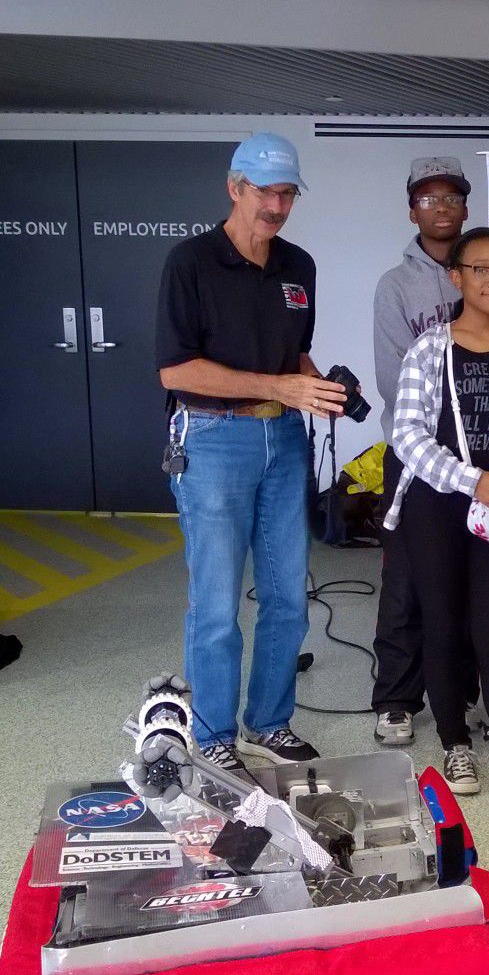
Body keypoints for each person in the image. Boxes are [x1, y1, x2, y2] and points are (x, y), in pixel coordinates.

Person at [156, 132, 345, 773]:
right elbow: (175, 371)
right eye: (267, 191)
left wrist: (316, 388)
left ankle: (269, 724)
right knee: (215, 603)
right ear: (234, 187)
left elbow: (294, 354)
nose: (278, 205)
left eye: (288, 192)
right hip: (212, 441)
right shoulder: (191, 263)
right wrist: (278, 386)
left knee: (288, 594)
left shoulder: (299, 266)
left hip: (284, 439)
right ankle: (211, 738)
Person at [385, 227, 489, 818]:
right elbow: (404, 435)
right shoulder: (429, 348)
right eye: (481, 270)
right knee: (443, 626)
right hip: (437, 502)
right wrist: (466, 478)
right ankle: (455, 743)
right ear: (455, 277)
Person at [369, 157, 475, 747]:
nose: (441, 208)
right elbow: (392, 379)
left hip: (483, 457)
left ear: (465, 207)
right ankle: (397, 700)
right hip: (415, 455)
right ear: (413, 210)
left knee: (472, 578)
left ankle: (461, 691)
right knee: (407, 580)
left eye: (452, 198)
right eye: (429, 200)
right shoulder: (395, 285)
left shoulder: (484, 272)